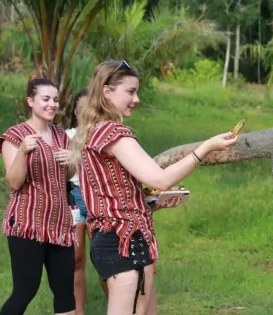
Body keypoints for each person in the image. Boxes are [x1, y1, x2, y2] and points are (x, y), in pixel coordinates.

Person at [70, 60, 238, 315]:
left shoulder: (91, 132)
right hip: (126, 243)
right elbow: (159, 180)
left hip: (109, 239)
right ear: (107, 92)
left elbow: (110, 194)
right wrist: (206, 148)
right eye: (130, 91)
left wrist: (152, 203)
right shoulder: (114, 133)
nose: (136, 98)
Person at [0, 75, 76, 315]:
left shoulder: (62, 136)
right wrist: (22, 151)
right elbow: (14, 182)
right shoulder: (14, 136)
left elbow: (64, 179)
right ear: (31, 101)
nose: (52, 104)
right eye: (46, 99)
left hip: (60, 226)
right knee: (26, 290)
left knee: (65, 292)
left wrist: (73, 161)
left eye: (55, 99)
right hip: (27, 224)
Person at [66, 89, 110, 314]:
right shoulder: (66, 136)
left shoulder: (105, 136)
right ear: (75, 111)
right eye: (80, 109)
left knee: (105, 257)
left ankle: (120, 304)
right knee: (76, 259)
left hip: (97, 198)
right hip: (73, 198)